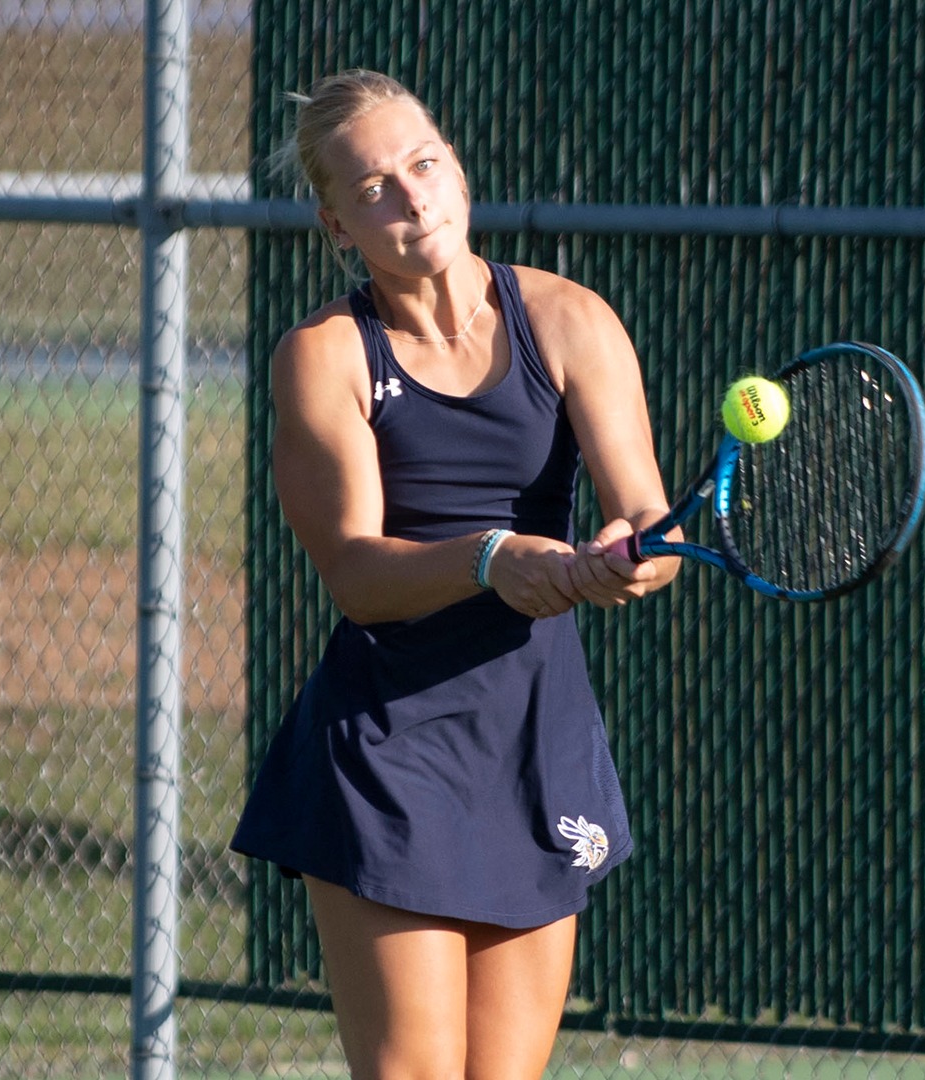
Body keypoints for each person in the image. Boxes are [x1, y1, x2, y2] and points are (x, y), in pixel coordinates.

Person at [230, 69, 680, 1078]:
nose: (412, 195)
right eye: (375, 185)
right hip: (391, 748)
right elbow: (354, 572)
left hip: (536, 740)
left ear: (459, 170)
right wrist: (493, 558)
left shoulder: (570, 320)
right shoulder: (324, 356)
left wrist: (628, 561)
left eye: (424, 163)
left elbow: (643, 517)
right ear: (337, 223)